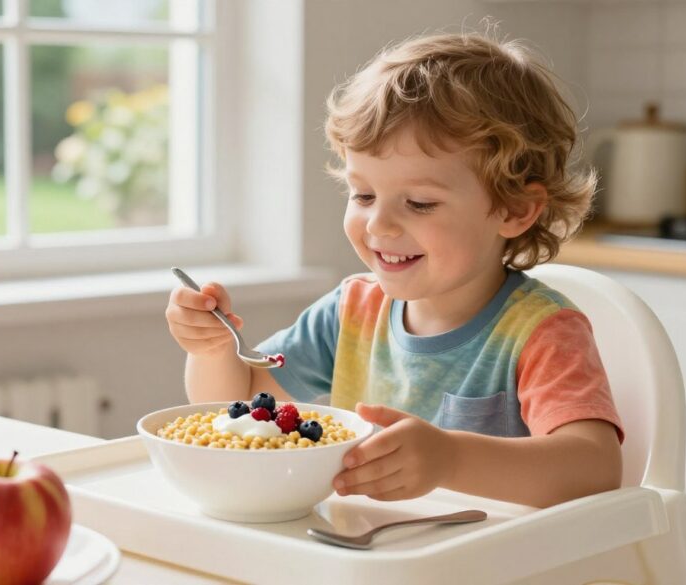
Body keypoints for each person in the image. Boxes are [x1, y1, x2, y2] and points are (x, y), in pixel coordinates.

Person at [165, 32, 624, 508]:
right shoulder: (351, 310)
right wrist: (214, 349)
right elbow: (239, 400)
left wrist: (451, 459)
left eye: (419, 203)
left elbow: (595, 467)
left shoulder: (542, 333)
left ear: (514, 211)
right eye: (363, 195)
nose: (379, 224)